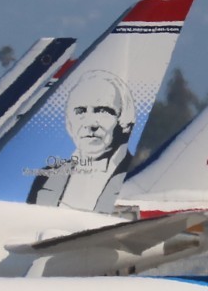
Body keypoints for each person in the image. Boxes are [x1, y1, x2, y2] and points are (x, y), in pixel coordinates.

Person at [28, 70, 135, 211]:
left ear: (124, 121)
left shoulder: (135, 177)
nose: (91, 124)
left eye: (103, 111)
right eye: (80, 111)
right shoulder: (46, 178)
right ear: (69, 124)